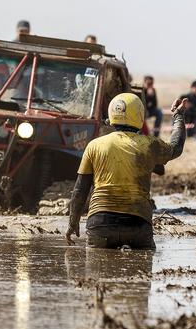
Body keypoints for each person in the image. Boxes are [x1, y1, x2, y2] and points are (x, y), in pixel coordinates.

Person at [66, 93, 186, 249]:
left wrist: (72, 223)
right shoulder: (149, 144)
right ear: (139, 115)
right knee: (142, 267)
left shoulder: (94, 146)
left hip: (100, 223)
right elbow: (176, 147)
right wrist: (178, 116)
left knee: (96, 270)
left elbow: (80, 190)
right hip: (138, 223)